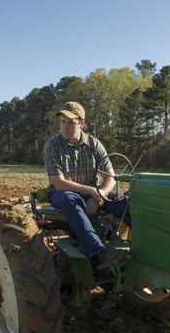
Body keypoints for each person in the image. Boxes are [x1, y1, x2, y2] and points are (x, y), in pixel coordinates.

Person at [43, 101, 131, 268]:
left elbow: (111, 176)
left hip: (93, 192)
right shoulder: (52, 146)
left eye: (71, 123)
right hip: (62, 194)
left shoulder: (94, 144)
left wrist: (101, 194)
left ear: (81, 124)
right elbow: (59, 183)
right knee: (71, 199)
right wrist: (92, 191)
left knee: (125, 204)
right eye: (63, 122)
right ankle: (99, 253)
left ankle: (147, 250)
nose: (65, 127)